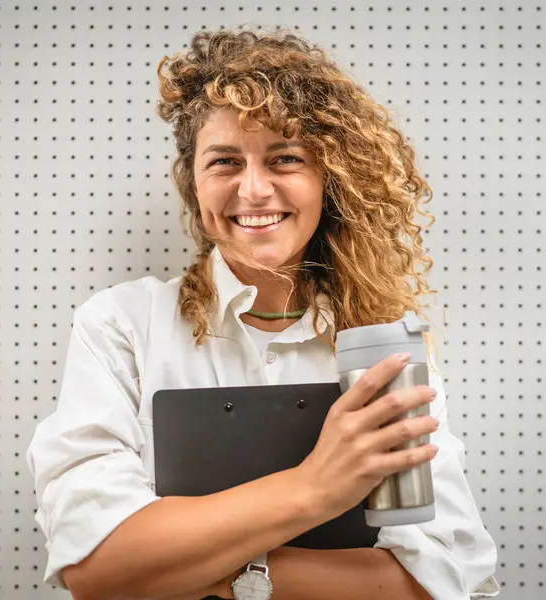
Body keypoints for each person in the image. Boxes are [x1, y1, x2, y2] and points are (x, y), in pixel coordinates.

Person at [26, 28, 500, 600]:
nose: (253, 189)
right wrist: (314, 490)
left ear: (330, 180)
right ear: (193, 182)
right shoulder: (121, 326)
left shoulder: (385, 348)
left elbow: (443, 580)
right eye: (224, 161)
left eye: (286, 158)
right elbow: (99, 569)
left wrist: (211, 572)